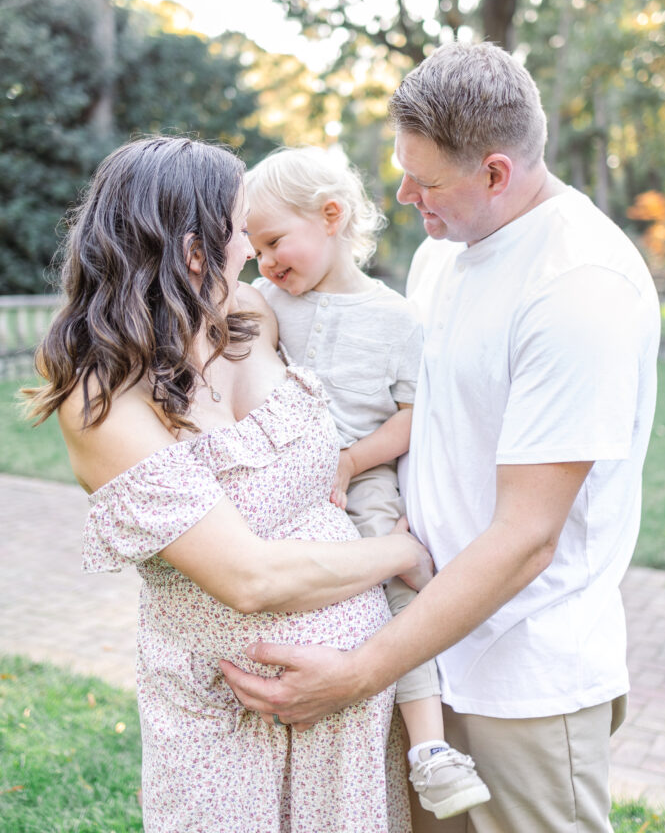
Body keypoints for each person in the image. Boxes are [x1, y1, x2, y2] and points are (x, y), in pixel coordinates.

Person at [219, 42, 661, 833]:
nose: (400, 194)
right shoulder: (440, 257)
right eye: (401, 168)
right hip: (425, 656)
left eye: (424, 182)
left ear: (496, 172)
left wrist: (357, 673)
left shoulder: (578, 288)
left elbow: (528, 537)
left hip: (521, 681)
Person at [23, 135, 436, 833]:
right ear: (192, 252)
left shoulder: (248, 316)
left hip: (353, 718)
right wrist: (400, 554)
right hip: (222, 723)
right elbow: (247, 578)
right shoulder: (104, 403)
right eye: (239, 231)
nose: (252, 249)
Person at [244, 146, 490, 821]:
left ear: (330, 217)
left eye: (272, 242)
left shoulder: (396, 318)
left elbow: (415, 415)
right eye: (254, 249)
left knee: (397, 586)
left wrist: (350, 462)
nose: (264, 262)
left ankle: (430, 750)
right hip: (278, 471)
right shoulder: (262, 301)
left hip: (363, 476)